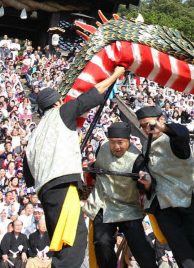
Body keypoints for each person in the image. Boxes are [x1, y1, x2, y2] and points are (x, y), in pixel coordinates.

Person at [23, 66, 125, 268]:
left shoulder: (32, 137)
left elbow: (28, 176)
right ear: (58, 101)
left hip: (45, 191)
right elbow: (93, 95)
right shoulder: (62, 112)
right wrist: (116, 75)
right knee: (73, 241)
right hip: (62, 184)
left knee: (61, 241)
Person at [136, 105, 194, 268]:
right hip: (163, 205)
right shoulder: (146, 144)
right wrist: (146, 182)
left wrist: (163, 128)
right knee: (182, 252)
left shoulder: (174, 137)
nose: (147, 128)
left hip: (187, 200)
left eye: (150, 124)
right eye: (143, 125)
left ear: (161, 120)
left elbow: (182, 132)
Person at [82, 121, 157, 268]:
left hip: (127, 206)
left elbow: (146, 186)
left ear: (128, 140)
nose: (116, 146)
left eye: (120, 142)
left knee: (140, 246)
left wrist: (147, 181)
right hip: (102, 204)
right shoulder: (102, 148)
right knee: (101, 242)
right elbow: (97, 170)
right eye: (112, 142)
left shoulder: (137, 158)